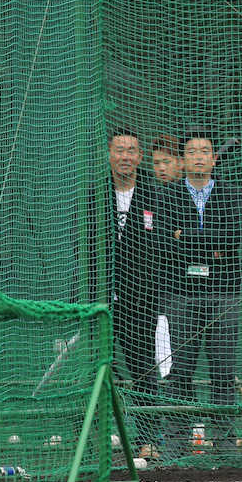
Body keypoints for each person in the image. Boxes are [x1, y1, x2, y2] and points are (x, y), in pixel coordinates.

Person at [161, 126, 242, 453]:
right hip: (180, 293)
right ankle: (176, 444)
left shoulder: (233, 194)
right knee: (181, 370)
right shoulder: (167, 195)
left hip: (223, 292)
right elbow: (165, 241)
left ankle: (224, 444)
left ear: (213, 158)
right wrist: (210, 245)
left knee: (223, 372)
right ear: (183, 159)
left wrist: (185, 237)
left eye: (205, 151)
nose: (199, 157)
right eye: (192, 152)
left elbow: (233, 237)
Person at [107, 127, 166, 457]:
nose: (125, 156)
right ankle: (96, 438)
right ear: (109, 154)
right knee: (98, 369)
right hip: (102, 301)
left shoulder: (154, 197)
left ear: (140, 157)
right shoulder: (96, 195)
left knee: (143, 368)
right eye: (119, 150)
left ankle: (147, 440)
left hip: (141, 301)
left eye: (131, 150)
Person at [149, 135, 183, 378]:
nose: (161, 168)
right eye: (156, 163)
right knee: (163, 361)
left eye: (167, 162)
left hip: (189, 290)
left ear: (180, 162)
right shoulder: (150, 195)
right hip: (158, 292)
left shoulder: (189, 195)